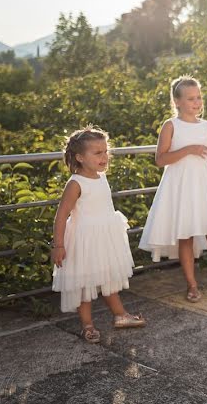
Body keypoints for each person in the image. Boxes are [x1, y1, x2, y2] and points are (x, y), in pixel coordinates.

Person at [139, 76, 207, 302]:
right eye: (191, 98)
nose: (197, 102)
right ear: (177, 101)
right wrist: (188, 149)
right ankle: (192, 286)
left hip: (205, 185)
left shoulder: (206, 126)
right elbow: (160, 159)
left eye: (199, 97)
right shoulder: (171, 126)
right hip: (181, 186)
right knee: (185, 237)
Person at [51, 126, 145, 343]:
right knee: (85, 285)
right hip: (84, 240)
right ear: (80, 157)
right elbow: (61, 215)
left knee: (107, 277)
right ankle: (87, 325)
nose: (104, 157)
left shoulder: (101, 177)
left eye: (105, 151)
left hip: (104, 237)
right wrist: (58, 245)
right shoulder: (76, 183)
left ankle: (120, 316)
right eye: (97, 153)